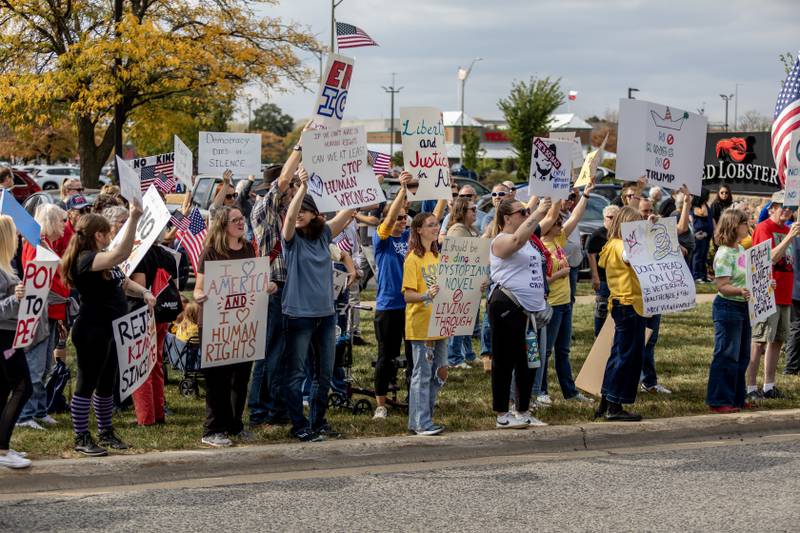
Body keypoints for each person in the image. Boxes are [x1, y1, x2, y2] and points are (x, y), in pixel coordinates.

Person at [61, 206, 155, 456]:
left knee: (106, 384)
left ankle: (105, 431)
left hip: (112, 330)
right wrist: (134, 218)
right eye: (108, 231)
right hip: (92, 330)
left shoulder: (100, 257)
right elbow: (122, 254)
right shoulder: (86, 259)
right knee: (86, 383)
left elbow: (121, 280)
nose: (112, 235)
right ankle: (81, 437)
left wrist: (144, 292)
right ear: (98, 234)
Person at [281, 166, 354, 442]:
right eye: (298, 209)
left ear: (315, 214)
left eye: (305, 210)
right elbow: (288, 217)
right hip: (298, 316)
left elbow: (348, 211)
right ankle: (298, 425)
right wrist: (302, 187)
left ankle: (318, 422)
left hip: (326, 315)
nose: (299, 213)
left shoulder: (324, 234)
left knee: (323, 374)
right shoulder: (291, 240)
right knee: (296, 374)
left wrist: (367, 176)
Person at [194, 206, 276, 447]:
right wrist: (199, 295)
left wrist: (268, 286)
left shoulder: (250, 248)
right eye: (235, 220)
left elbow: (255, 282)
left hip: (244, 323)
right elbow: (199, 287)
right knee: (217, 380)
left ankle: (234, 425)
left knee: (241, 378)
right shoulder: (211, 252)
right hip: (215, 325)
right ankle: (212, 430)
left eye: (242, 219)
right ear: (223, 225)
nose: (241, 223)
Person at [488, 197, 553, 428]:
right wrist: (537, 211)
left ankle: (523, 410)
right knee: (505, 362)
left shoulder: (530, 241)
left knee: (529, 362)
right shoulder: (501, 239)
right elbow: (514, 241)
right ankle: (502, 414)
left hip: (530, 313)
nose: (527, 215)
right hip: (507, 306)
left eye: (527, 211)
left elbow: (550, 219)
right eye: (522, 212)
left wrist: (552, 200)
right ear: (507, 217)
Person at [534, 187, 595, 405]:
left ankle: (570, 392)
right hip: (551, 305)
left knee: (563, 350)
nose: (562, 226)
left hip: (565, 303)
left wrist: (586, 195)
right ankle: (540, 391)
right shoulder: (541, 247)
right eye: (558, 223)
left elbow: (576, 216)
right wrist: (560, 273)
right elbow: (540, 282)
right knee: (545, 351)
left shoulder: (558, 240)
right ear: (549, 227)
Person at [16, 204, 70, 430]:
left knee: (46, 365)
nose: (64, 226)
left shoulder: (43, 243)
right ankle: (25, 415)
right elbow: (37, 277)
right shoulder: (35, 242)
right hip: (40, 312)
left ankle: (38, 410)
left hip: (52, 312)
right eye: (61, 221)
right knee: (35, 366)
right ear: (50, 221)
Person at [747, 190, 800, 400]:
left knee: (777, 340)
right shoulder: (764, 228)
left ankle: (769, 385)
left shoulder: (786, 228)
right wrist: (789, 236)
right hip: (766, 292)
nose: (787, 211)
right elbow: (768, 258)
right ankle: (751, 387)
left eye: (790, 207)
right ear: (772, 208)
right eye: (783, 206)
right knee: (759, 340)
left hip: (785, 292)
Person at [595, 206, 646, 421]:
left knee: (619, 354)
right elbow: (630, 255)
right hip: (628, 304)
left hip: (623, 304)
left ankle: (607, 400)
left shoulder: (610, 245)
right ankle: (614, 406)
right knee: (626, 356)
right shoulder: (620, 246)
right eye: (636, 224)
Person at [403, 212, 448, 435]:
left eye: (437, 224)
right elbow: (408, 295)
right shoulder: (413, 259)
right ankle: (420, 422)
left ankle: (425, 419)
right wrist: (425, 295)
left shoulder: (439, 257)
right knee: (422, 374)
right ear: (418, 230)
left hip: (440, 323)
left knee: (439, 373)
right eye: (430, 225)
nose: (435, 228)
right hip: (421, 326)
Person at [371, 172, 412, 420]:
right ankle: (381, 404)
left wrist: (442, 197)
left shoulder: (410, 238)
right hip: (388, 305)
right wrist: (402, 191)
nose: (400, 222)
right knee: (386, 355)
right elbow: (387, 222)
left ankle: (412, 397)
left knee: (412, 354)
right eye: (396, 218)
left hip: (410, 304)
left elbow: (436, 219)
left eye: (404, 218)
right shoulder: (381, 239)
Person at [707, 209, 752, 413]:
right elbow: (721, 285)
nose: (748, 225)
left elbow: (747, 278)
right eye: (745, 222)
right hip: (727, 307)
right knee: (726, 354)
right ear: (734, 225)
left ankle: (736, 397)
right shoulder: (724, 253)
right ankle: (719, 399)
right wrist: (740, 290)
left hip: (742, 307)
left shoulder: (741, 250)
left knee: (742, 355)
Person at [0, 215, 33, 469]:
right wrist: (17, 298)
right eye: (16, 233)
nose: (20, 238)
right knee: (24, 387)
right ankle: (2, 448)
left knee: (4, 389)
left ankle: (2, 444)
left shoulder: (6, 266)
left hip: (10, 335)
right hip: (4, 338)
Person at [445, 198, 480, 369]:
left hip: (468, 281)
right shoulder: (457, 230)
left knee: (466, 320)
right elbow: (458, 257)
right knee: (458, 321)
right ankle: (454, 358)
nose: (475, 211)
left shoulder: (469, 229)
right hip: (458, 283)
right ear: (462, 211)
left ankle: (468, 354)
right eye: (472, 209)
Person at [586, 204, 619, 337]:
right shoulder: (597, 234)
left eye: (615, 217)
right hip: (603, 278)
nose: (612, 220)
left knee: (616, 308)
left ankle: (612, 334)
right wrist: (595, 276)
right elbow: (591, 255)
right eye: (609, 217)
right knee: (601, 307)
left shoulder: (619, 234)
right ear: (604, 218)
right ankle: (598, 334)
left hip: (617, 278)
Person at [691, 189, 714, 282]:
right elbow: (703, 214)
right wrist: (703, 203)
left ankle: (704, 275)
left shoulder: (705, 206)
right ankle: (697, 276)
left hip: (707, 234)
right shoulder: (695, 207)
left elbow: (710, 217)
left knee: (704, 255)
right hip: (700, 234)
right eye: (707, 196)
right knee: (698, 255)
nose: (708, 198)